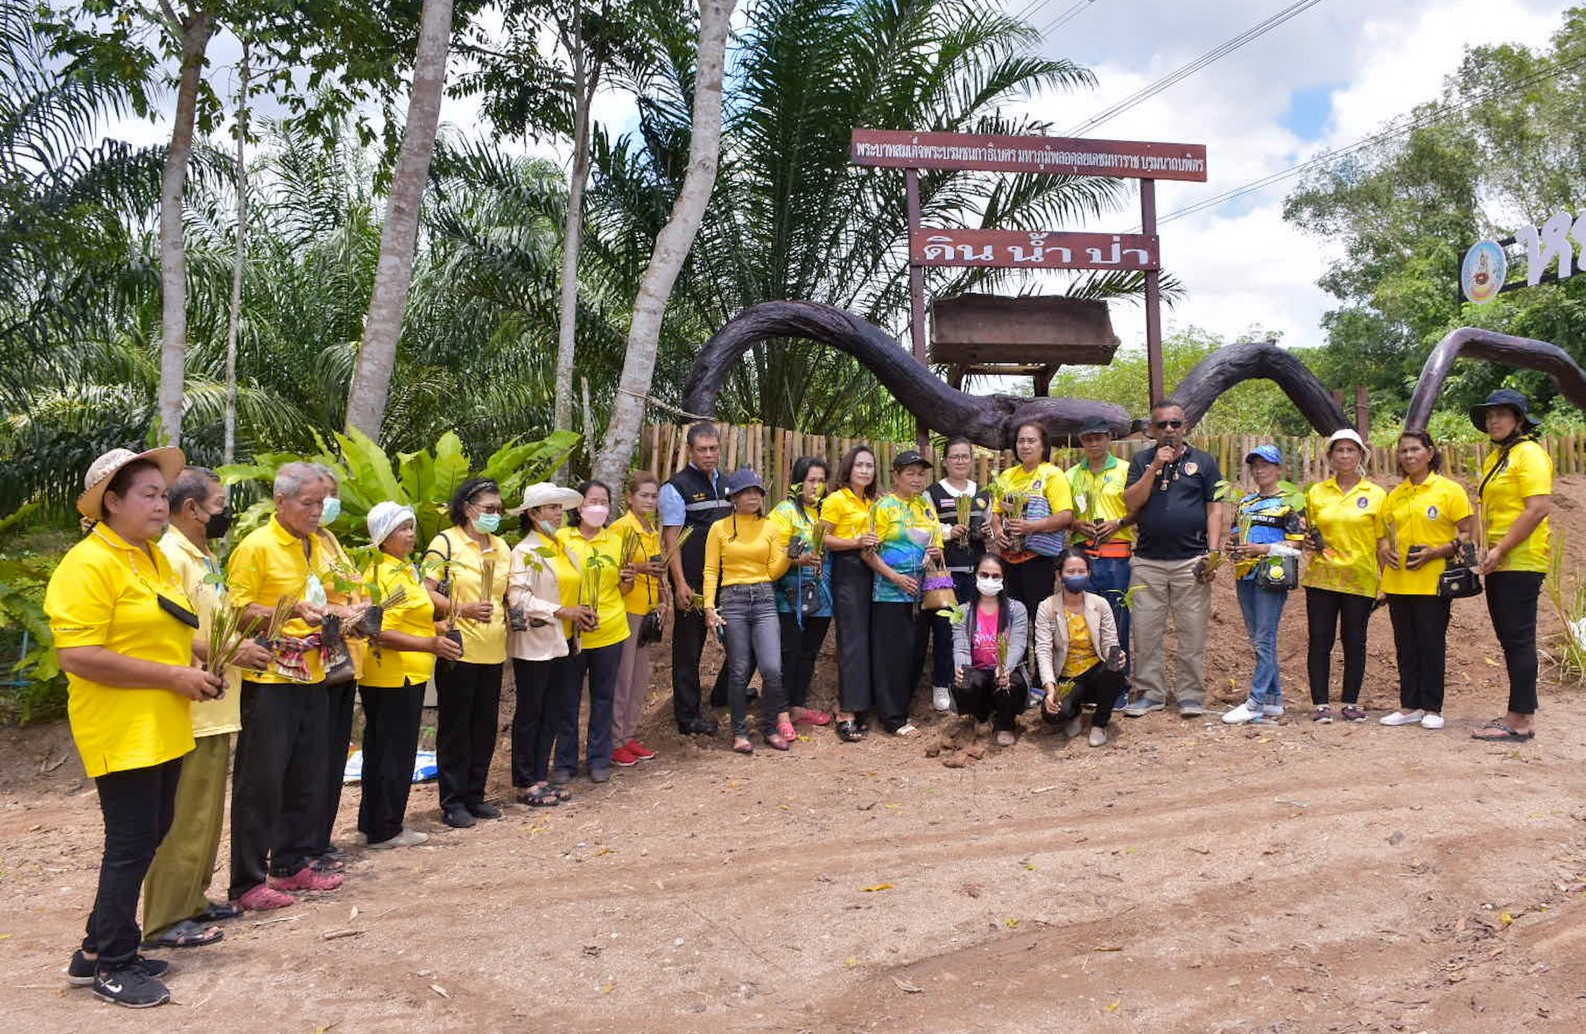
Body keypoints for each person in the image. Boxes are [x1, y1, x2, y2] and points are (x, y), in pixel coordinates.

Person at [46, 447, 222, 1007]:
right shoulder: (87, 563)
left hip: (162, 721)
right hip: (120, 726)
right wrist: (171, 675)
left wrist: (219, 654)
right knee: (129, 842)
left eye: (160, 492)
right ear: (112, 503)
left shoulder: (151, 559)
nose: (159, 502)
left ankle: (96, 950)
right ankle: (114, 965)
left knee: (148, 834)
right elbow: (78, 655)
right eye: (146, 494)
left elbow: (173, 627)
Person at [142, 467, 270, 950]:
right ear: (191, 509)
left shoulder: (203, 555)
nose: (226, 513)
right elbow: (168, 629)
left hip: (218, 703)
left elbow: (216, 618)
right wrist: (232, 650)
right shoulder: (170, 555)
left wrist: (245, 640)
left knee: (207, 815)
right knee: (185, 818)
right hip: (191, 708)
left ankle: (193, 899)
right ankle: (165, 918)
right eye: (219, 504)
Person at [227, 461, 344, 911]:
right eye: (309, 503)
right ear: (281, 502)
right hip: (271, 676)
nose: (318, 511)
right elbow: (235, 607)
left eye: (322, 503)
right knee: (262, 781)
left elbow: (335, 591)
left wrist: (343, 610)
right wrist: (290, 607)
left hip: (313, 670)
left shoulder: (317, 544)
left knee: (306, 774)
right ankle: (246, 880)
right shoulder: (256, 547)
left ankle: (291, 863)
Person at [358, 503, 460, 848]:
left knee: (385, 749)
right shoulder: (383, 574)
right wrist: (428, 642)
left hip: (409, 672)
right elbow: (379, 631)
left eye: (411, 527)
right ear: (383, 536)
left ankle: (374, 821)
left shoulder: (404, 569)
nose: (410, 534)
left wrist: (437, 626)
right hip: (393, 673)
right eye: (402, 529)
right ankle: (385, 827)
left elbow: (410, 617)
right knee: (392, 751)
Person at [1121, 399, 1225, 718]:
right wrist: (1154, 466)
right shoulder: (1141, 460)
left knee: (1192, 632)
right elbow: (1131, 504)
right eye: (1162, 425)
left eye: (1175, 424)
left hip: (1191, 561)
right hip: (1147, 562)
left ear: (1186, 427)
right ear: (1152, 430)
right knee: (1146, 632)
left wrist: (1214, 550)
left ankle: (1190, 695)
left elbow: (1215, 508)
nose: (1169, 430)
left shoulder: (1204, 462)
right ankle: (1150, 693)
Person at [423, 478, 511, 828]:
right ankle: (453, 800)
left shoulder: (501, 547)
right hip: (458, 648)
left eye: (498, 510)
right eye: (488, 509)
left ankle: (476, 794)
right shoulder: (445, 543)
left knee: (484, 727)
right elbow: (426, 592)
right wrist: (463, 608)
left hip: (494, 649)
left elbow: (507, 595)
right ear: (467, 508)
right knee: (456, 728)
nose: (494, 515)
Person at [1470, 389, 1553, 743]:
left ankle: (1520, 720)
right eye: (1490, 416)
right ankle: (1520, 713)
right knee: (1511, 639)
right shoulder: (1498, 457)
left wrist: (1501, 548)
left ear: (1519, 419)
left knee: (1518, 640)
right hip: (1499, 559)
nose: (1494, 421)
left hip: (1519, 558)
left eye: (1502, 414)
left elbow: (1537, 508)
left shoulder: (1529, 454)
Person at [1377, 431, 1473, 731]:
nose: (1408, 456)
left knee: (1431, 644)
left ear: (1429, 453)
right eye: (1403, 451)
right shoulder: (1395, 495)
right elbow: (1382, 535)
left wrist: (1437, 552)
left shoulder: (1449, 490)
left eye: (1415, 449)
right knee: (1405, 645)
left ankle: (1432, 707)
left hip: (1434, 583)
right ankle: (1409, 706)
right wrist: (1384, 551)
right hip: (1398, 583)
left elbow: (1469, 533)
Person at [506, 484, 592, 806]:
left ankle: (540, 776)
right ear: (533, 513)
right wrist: (559, 611)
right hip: (535, 642)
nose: (559, 513)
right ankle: (526, 780)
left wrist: (579, 612)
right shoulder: (524, 551)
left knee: (552, 710)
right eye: (551, 507)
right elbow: (518, 597)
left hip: (565, 640)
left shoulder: (561, 547)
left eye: (559, 507)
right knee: (531, 710)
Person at [704, 469, 794, 752]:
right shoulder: (719, 528)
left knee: (772, 668)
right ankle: (739, 732)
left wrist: (789, 557)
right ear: (733, 497)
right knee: (740, 670)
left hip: (765, 598)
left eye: (757, 491)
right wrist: (709, 607)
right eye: (746, 492)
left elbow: (773, 571)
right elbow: (710, 570)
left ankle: (769, 728)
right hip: (733, 599)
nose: (753, 496)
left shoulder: (771, 527)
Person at [1301, 429, 1385, 723]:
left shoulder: (1376, 495)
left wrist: (1386, 579)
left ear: (1361, 455)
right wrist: (1306, 542)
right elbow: (1306, 533)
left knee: (1355, 641)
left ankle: (1351, 702)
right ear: (1330, 456)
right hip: (1321, 577)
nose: (1345, 455)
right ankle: (1320, 704)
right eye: (1340, 450)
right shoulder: (1316, 493)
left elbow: (1382, 542)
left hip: (1359, 577)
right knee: (1320, 640)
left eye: (1351, 450)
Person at [553, 481, 635, 783]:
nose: (598, 507)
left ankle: (599, 759)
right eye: (592, 501)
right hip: (571, 631)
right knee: (567, 698)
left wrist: (629, 579)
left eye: (604, 501)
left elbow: (623, 588)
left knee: (603, 696)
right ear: (579, 506)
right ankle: (564, 761)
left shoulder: (616, 541)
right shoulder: (560, 539)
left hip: (610, 629)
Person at [307, 465, 366, 872]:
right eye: (321, 496)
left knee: (334, 754)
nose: (328, 503)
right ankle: (305, 843)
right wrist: (344, 610)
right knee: (315, 756)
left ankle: (321, 838)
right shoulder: (303, 545)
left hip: (346, 656)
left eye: (332, 495)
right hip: (316, 658)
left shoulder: (330, 540)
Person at [1221, 446, 1305, 725]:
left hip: (1272, 575)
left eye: (1266, 465)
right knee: (1258, 638)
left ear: (1279, 469)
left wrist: (1262, 548)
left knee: (1264, 639)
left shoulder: (1290, 503)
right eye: (1255, 465)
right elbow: (1236, 533)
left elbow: (1296, 543)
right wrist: (1233, 545)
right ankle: (1273, 700)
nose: (1260, 470)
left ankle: (1255, 700)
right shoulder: (1245, 503)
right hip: (1243, 575)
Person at [661, 423, 733, 735]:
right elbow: (671, 540)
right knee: (689, 648)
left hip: (726, 580)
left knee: (739, 638)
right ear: (690, 451)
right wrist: (679, 584)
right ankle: (688, 716)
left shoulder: (730, 484)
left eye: (713, 448)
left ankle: (724, 694)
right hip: (692, 581)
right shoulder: (675, 488)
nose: (708, 454)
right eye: (702, 449)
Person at [866, 450, 944, 737]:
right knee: (892, 657)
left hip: (922, 594)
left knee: (914, 654)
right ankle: (893, 718)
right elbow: (868, 553)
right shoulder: (884, 506)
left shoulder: (925, 506)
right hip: (889, 594)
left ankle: (903, 708)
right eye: (909, 473)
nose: (916, 478)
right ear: (896, 476)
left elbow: (936, 544)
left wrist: (936, 551)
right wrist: (896, 578)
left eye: (920, 473)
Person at [1066, 415, 1135, 706]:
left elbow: (1141, 507)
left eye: (1099, 437)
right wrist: (1076, 525)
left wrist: (1118, 523)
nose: (1094, 443)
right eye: (1088, 438)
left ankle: (1118, 688)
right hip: (1084, 560)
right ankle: (1090, 687)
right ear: (1081, 442)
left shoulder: (1126, 470)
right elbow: (1063, 512)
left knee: (1116, 624)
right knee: (1084, 624)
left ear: (1109, 438)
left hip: (1116, 558)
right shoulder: (1070, 475)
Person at [1034, 549, 1126, 748]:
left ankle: (1100, 723)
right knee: (1053, 715)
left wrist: (1117, 656)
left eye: (1081, 571)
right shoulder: (1047, 607)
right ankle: (1074, 713)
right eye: (1071, 572)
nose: (1077, 576)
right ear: (1059, 575)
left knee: (1115, 671)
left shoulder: (1100, 604)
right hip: (1067, 677)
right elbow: (1043, 650)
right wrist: (1050, 690)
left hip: (1095, 671)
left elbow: (1110, 641)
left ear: (1089, 573)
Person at [820, 445, 881, 741]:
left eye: (870, 466)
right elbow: (825, 539)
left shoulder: (873, 501)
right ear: (849, 468)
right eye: (860, 465)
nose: (865, 471)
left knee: (869, 639)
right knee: (852, 641)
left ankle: (861, 705)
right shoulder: (835, 499)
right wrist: (856, 542)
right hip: (847, 572)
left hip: (873, 570)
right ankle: (845, 711)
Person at [770, 456, 835, 726]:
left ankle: (797, 705)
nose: (816, 486)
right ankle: (779, 711)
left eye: (821, 481)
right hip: (791, 596)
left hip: (823, 595)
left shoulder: (826, 512)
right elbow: (774, 554)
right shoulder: (784, 512)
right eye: (811, 480)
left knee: (809, 653)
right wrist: (801, 559)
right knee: (789, 652)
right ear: (798, 482)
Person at [926, 437, 990, 712]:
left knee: (974, 628)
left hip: (976, 572)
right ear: (945, 462)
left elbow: (989, 526)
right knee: (945, 629)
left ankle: (972, 683)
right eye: (955, 457)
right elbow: (926, 527)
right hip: (944, 573)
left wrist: (986, 531)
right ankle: (942, 683)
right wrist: (948, 532)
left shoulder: (983, 493)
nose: (961, 461)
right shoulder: (933, 492)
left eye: (965, 456)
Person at [988, 421, 1075, 619]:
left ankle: (1042, 651)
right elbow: (996, 512)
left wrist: (1032, 527)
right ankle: (1017, 652)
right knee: (1011, 617)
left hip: (1038, 560)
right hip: (1009, 558)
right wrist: (999, 532)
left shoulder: (1052, 475)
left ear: (1043, 446)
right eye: (1020, 441)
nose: (1025, 446)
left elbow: (1066, 516)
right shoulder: (1008, 475)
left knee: (1039, 617)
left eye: (1031, 441)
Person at [610, 473, 665, 767]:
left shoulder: (651, 529)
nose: (649, 501)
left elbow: (656, 570)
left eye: (653, 496)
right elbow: (616, 568)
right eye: (643, 495)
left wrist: (661, 601)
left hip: (647, 610)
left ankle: (628, 735)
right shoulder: (621, 528)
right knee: (623, 676)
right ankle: (613, 740)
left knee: (640, 679)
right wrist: (643, 567)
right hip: (626, 609)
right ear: (629, 498)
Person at [948, 554, 1029, 746]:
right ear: (975, 575)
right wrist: (961, 669)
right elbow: (960, 646)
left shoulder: (1017, 609)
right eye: (984, 575)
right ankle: (981, 716)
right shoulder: (962, 611)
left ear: (1003, 579)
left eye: (995, 576)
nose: (989, 580)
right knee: (967, 682)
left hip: (1003, 670)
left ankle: (1005, 724)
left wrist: (1005, 667)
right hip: (978, 671)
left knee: (1012, 684)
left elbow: (1018, 644)